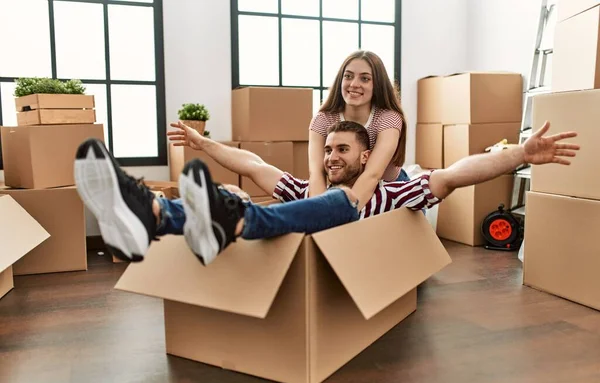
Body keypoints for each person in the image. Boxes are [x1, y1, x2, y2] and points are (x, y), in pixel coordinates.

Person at [74, 119, 578, 265]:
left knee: (341, 204)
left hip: (358, 281)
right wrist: (205, 143)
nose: (331, 156)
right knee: (241, 194)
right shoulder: (305, 186)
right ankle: (156, 212)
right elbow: (255, 164)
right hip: (296, 267)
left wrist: (519, 155)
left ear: (366, 157)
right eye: (328, 149)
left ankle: (220, 217)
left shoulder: (395, 193)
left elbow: (457, 172)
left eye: (343, 150)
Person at [309, 50, 409, 211]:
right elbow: (317, 174)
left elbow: (372, 175)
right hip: (344, 189)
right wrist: (320, 215)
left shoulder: (388, 118)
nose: (354, 84)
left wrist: (342, 217)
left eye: (365, 78)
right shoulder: (323, 119)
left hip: (390, 189)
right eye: (348, 76)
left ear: (377, 85)